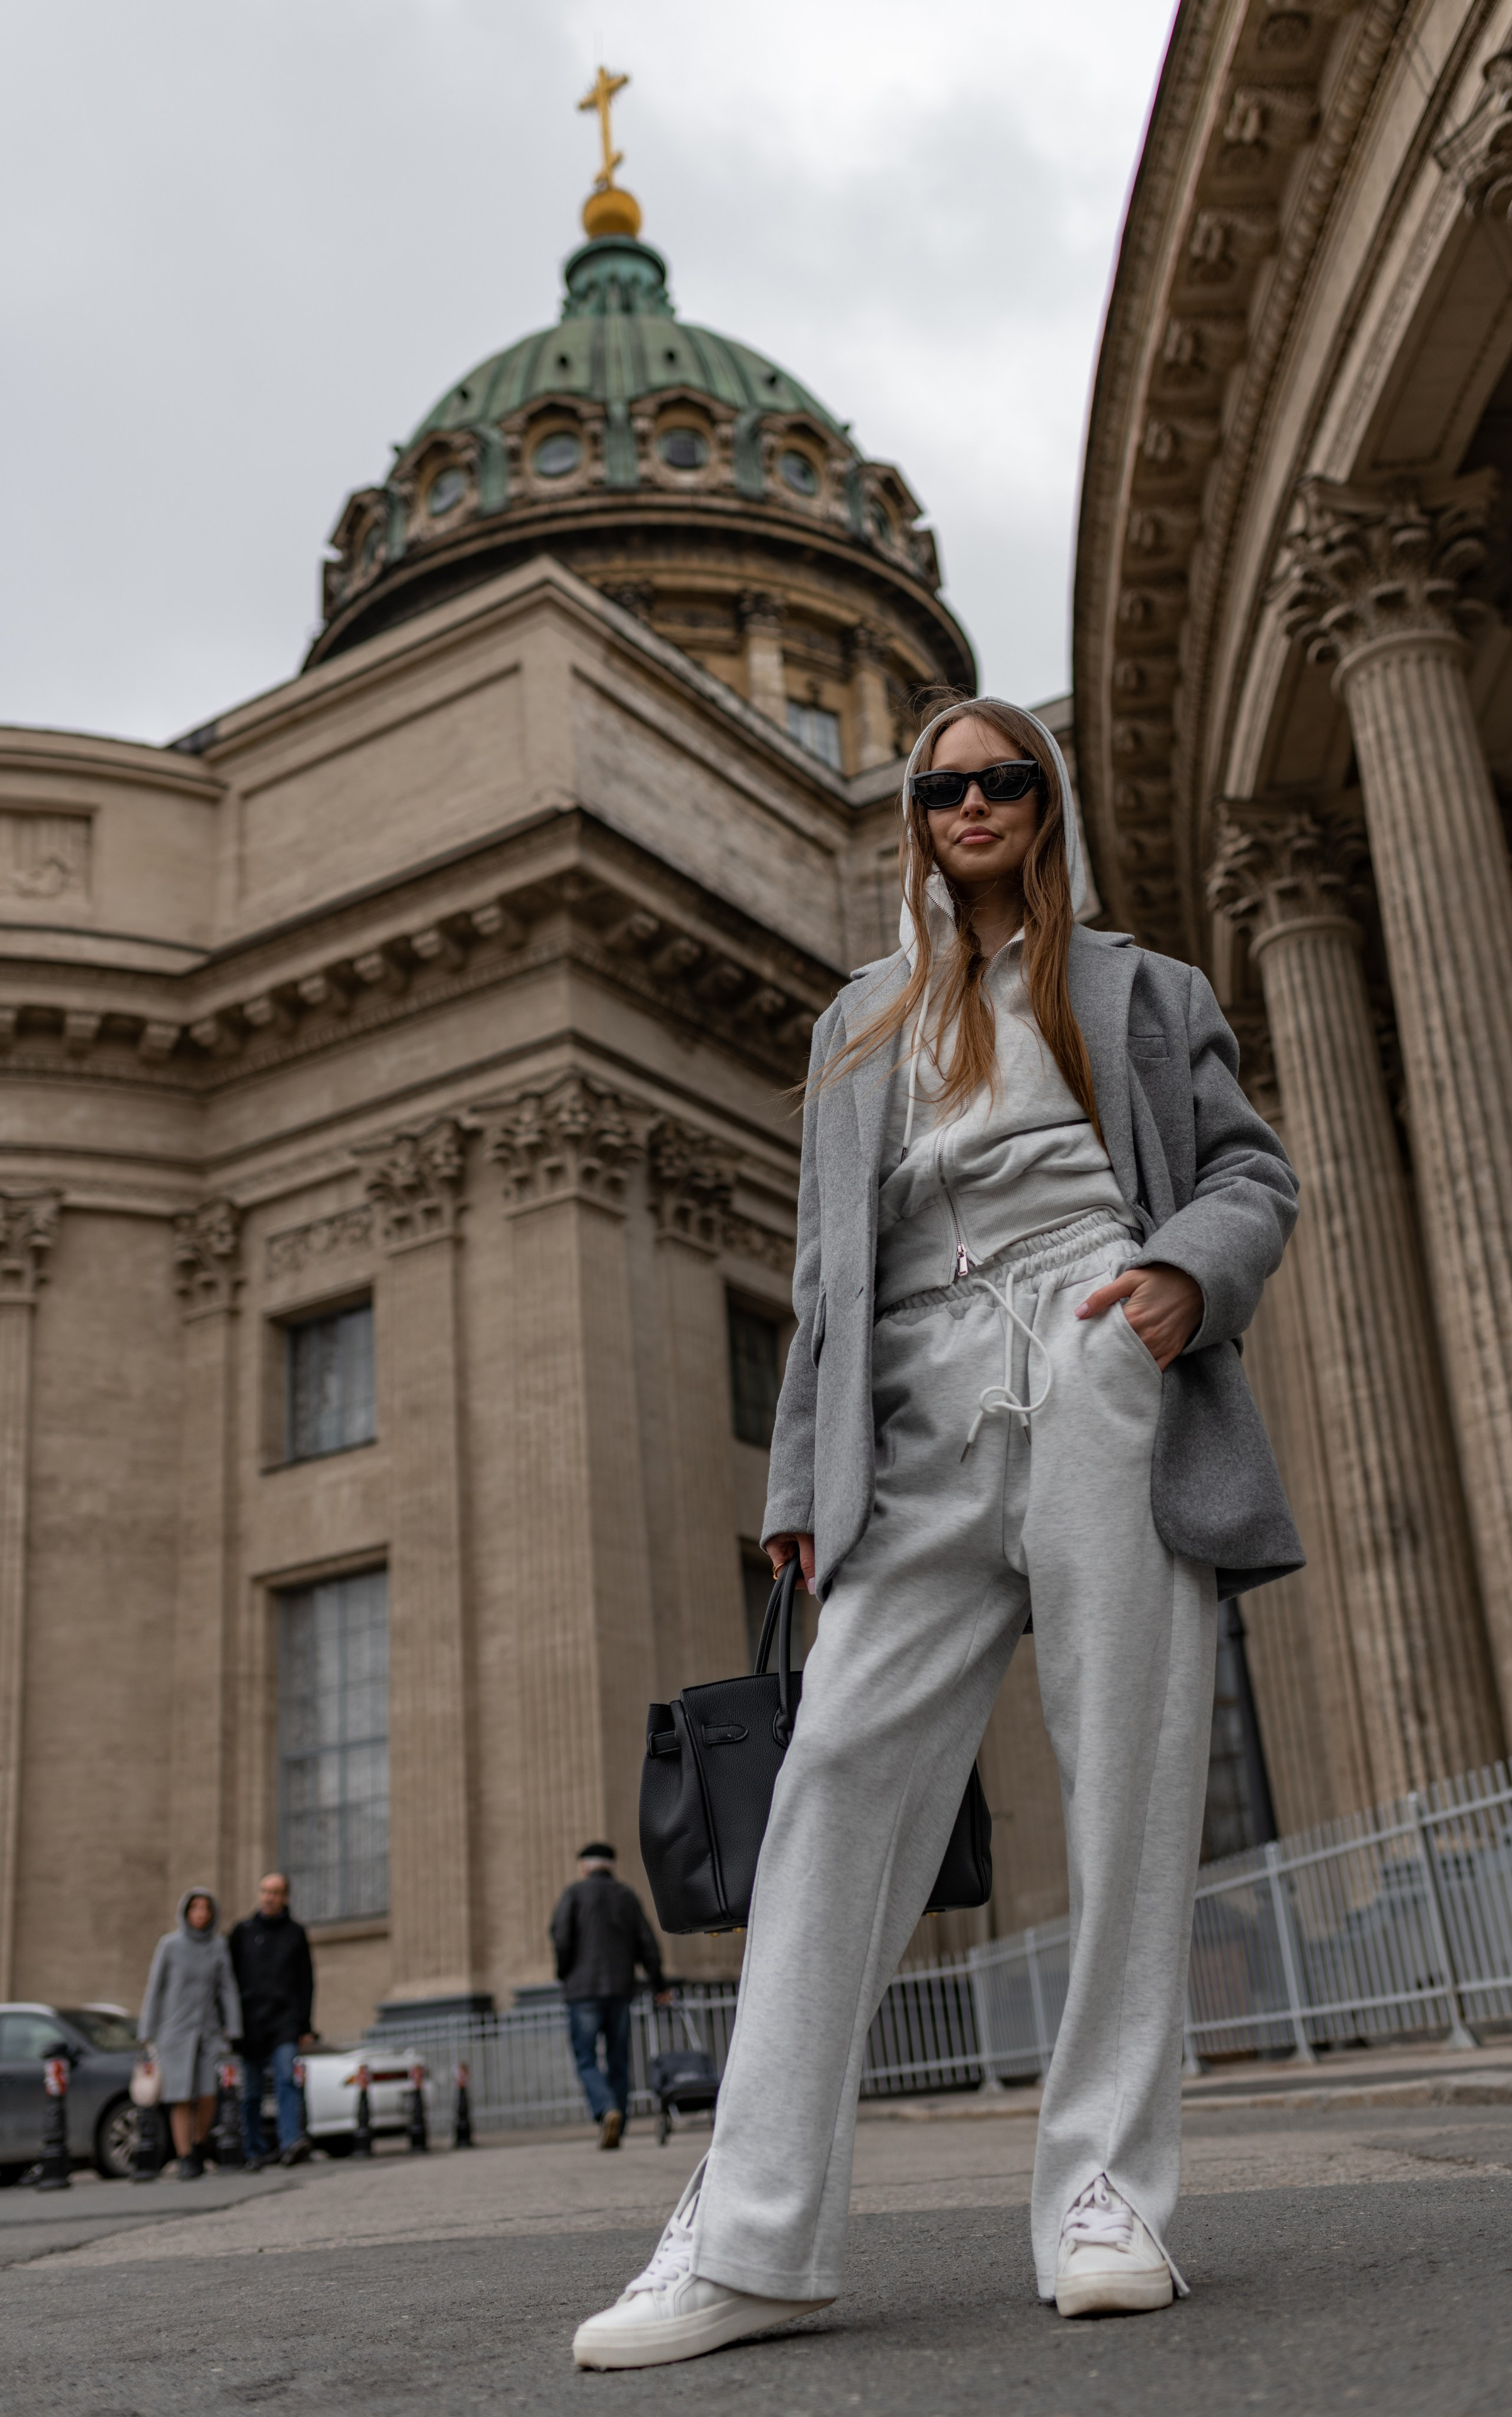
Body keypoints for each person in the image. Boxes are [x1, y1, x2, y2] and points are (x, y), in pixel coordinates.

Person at [572, 694, 1302, 2369]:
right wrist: (795, 1500)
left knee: (1124, 1778)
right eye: (944, 785)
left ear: (1045, 805)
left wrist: (1179, 1281)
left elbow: (1253, 1176)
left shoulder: (1142, 992)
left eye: (1005, 780)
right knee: (833, 1781)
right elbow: (828, 1294)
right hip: (916, 1413)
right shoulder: (859, 1028)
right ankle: (750, 2233)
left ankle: (1107, 2195)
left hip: (1104, 1354)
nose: (974, 803)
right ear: (915, 817)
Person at [551, 1843, 672, 2150]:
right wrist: (659, 1984)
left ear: (585, 1866)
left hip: (583, 1992)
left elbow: (561, 1936)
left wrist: (564, 1972)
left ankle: (607, 2110)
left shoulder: (574, 1895)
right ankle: (619, 2121)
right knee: (619, 2059)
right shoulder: (626, 1896)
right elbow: (648, 1943)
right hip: (620, 1990)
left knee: (586, 2058)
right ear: (611, 1865)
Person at [138, 1888, 243, 2180]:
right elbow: (155, 1988)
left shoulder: (218, 1946)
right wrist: (147, 2030)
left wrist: (233, 2027)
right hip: (174, 2033)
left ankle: (199, 2144)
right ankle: (185, 2156)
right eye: (195, 1908)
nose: (201, 1914)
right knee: (181, 2096)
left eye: (206, 1909)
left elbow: (227, 1988)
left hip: (207, 2032)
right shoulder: (169, 1945)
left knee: (208, 2093)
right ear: (186, 1913)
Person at [229, 1871, 316, 2170]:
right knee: (252, 2091)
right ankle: (254, 2150)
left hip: (285, 2022)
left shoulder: (295, 1933)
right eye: (265, 1891)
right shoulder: (243, 1932)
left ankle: (291, 2142)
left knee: (286, 2080)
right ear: (260, 1894)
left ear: (285, 1897)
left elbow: (306, 1981)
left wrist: (305, 2025)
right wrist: (231, 2024)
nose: (269, 1897)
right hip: (250, 2024)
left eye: (276, 1892)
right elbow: (229, 1982)